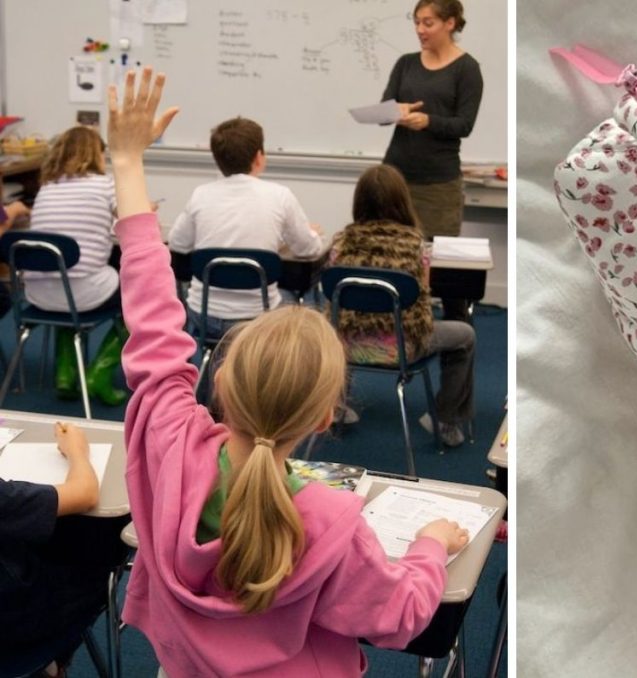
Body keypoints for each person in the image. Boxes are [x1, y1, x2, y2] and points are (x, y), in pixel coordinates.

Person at [108, 67, 468, 676]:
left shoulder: (173, 446)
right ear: (326, 415)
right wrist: (432, 544)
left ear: (219, 382)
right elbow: (401, 614)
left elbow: (151, 311)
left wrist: (126, 163)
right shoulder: (329, 520)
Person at [329, 164, 476, 447]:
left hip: (344, 345)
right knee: (465, 335)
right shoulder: (416, 245)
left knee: (334, 323)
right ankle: (445, 418)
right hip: (402, 346)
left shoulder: (341, 243)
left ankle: (335, 407)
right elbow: (422, 296)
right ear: (403, 200)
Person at [168, 116, 325, 340]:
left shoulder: (200, 195)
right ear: (259, 157)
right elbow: (308, 250)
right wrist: (311, 234)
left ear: (217, 160)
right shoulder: (280, 196)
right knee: (302, 295)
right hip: (257, 320)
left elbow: (177, 244)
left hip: (203, 315)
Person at [0, 422, 130, 677]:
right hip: (18, 627)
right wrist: (76, 451)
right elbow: (86, 493)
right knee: (104, 532)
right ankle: (52, 664)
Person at [382, 0, 483, 322]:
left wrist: (429, 121)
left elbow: (464, 124)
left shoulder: (467, 68)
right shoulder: (406, 63)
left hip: (439, 183)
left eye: (428, 23)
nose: (420, 30)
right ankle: (389, 331)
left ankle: (457, 339)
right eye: (417, 22)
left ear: (450, 23)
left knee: (442, 270)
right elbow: (385, 109)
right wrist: (395, 112)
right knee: (390, 257)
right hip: (395, 176)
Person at [22, 125, 127, 405]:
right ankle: (98, 375)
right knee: (138, 302)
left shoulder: (47, 188)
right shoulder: (106, 185)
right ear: (97, 154)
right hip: (83, 294)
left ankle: (65, 376)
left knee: (66, 277)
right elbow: (129, 222)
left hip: (38, 295)